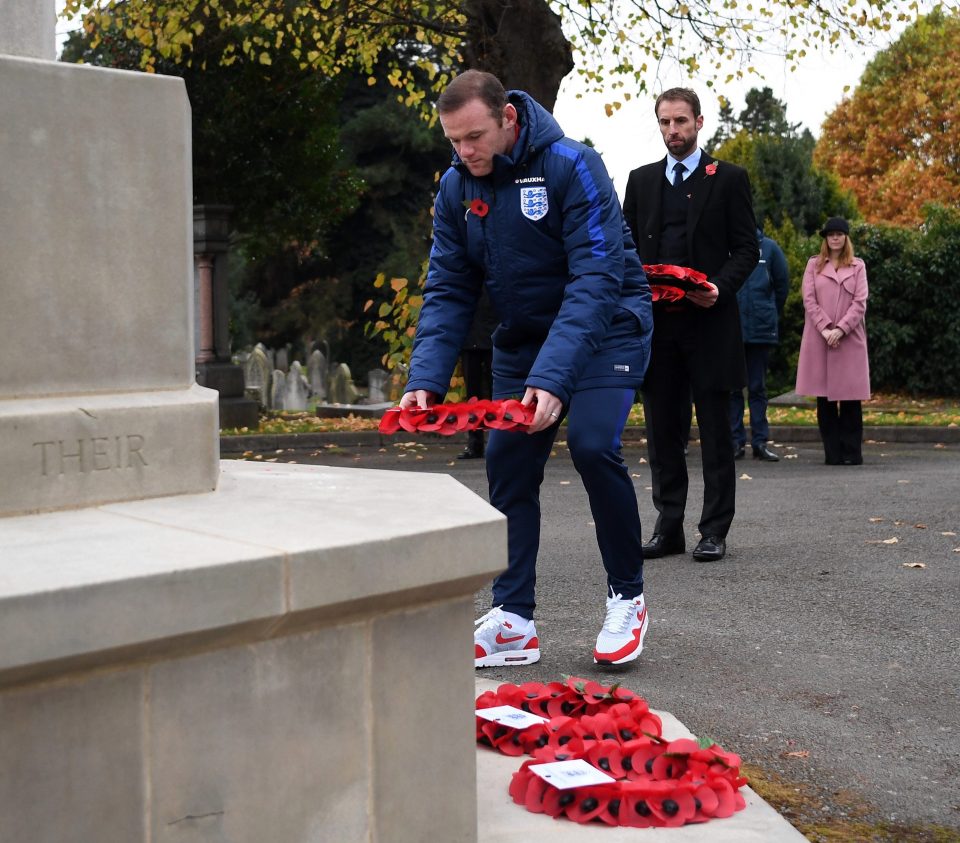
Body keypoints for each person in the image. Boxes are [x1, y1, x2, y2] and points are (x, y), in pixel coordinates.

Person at [400, 70, 654, 667]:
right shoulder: (456, 188)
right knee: (507, 460)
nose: (465, 152)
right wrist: (425, 381)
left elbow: (596, 278)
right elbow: (447, 289)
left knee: (593, 445)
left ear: (508, 119)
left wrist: (553, 380)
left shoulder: (573, 164)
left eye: (476, 137)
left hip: (608, 323)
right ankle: (513, 618)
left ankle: (628, 597)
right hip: (526, 339)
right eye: (454, 141)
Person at [622, 88, 757, 563]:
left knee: (718, 433)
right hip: (658, 330)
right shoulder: (639, 182)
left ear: (699, 123)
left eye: (680, 121)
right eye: (664, 122)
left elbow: (747, 249)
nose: (672, 131)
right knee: (663, 433)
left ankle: (714, 529)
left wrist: (719, 287)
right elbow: (628, 251)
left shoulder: (729, 179)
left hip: (711, 325)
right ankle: (669, 527)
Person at [795, 217, 870, 465]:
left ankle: (852, 453)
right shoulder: (813, 265)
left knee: (850, 400)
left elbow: (860, 303)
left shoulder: (858, 267)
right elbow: (809, 300)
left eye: (839, 234)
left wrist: (841, 329)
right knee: (824, 400)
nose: (835, 238)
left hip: (849, 340)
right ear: (826, 239)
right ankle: (833, 454)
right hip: (820, 339)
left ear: (846, 238)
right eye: (830, 234)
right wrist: (826, 329)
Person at [730, 227, 790, 462]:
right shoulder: (727, 247)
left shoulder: (770, 248)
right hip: (733, 329)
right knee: (733, 388)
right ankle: (736, 442)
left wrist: (769, 312)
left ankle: (760, 442)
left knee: (757, 387)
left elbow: (782, 285)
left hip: (760, 329)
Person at [457, 289, 496, 459]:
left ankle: (497, 442)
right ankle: (475, 444)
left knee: (497, 395)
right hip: (469, 339)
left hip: (492, 337)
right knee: (473, 396)